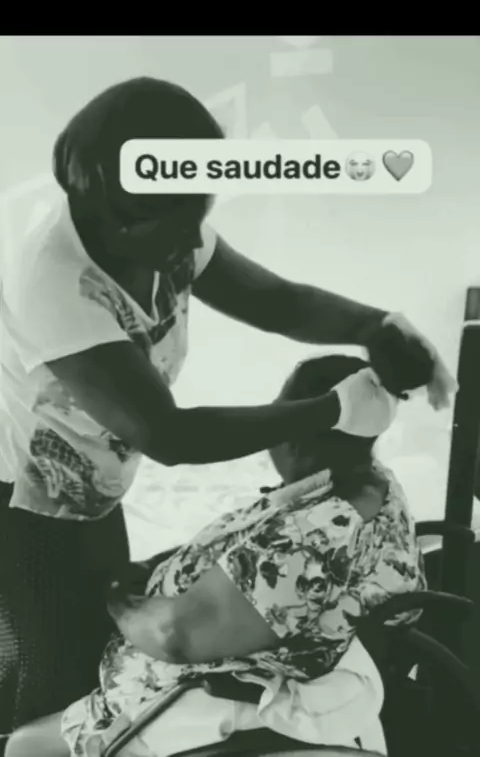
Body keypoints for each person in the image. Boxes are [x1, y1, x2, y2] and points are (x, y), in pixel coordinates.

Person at [0, 76, 454, 742]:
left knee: (85, 647)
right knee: (52, 669)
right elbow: (169, 434)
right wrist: (328, 409)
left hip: (96, 488)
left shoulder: (166, 223)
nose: (194, 241)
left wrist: (377, 325)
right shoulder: (54, 285)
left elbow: (279, 302)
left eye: (201, 212)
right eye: (178, 223)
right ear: (118, 217)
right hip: (26, 502)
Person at [5, 354, 427, 757]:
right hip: (269, 659)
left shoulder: (315, 532)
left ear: (296, 432)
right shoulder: (371, 484)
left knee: (24, 746)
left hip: (210, 697)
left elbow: (175, 636)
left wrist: (118, 596)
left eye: (280, 412)